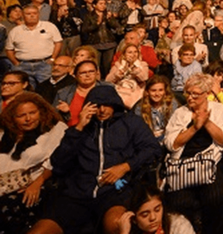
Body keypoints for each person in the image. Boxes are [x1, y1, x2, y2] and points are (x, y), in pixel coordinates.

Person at [29, 85, 160, 234]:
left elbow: (153, 149)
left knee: (118, 224)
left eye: (106, 105)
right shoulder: (80, 129)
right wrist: (79, 127)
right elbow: (58, 162)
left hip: (115, 192)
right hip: (77, 193)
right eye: (97, 106)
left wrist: (125, 166)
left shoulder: (131, 123)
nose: (102, 110)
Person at [163, 73, 223, 234]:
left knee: (216, 197)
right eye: (188, 93)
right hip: (182, 165)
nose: (190, 97)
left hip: (208, 164)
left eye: (195, 94)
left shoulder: (219, 110)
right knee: (179, 203)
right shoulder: (180, 113)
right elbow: (171, 144)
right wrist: (193, 127)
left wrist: (206, 121)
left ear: (207, 94)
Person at [0, 92, 67, 234]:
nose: (28, 119)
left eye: (32, 113)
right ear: (13, 118)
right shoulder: (5, 133)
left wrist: (37, 183)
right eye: (21, 116)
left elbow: (55, 161)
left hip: (30, 185)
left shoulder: (54, 130)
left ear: (41, 112)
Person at [5, 5, 63, 89]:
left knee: (47, 90)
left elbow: (58, 42)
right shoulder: (15, 31)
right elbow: (9, 49)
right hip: (23, 66)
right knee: (25, 92)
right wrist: (16, 63)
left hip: (45, 64)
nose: (32, 15)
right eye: (28, 13)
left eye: (34, 13)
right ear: (22, 15)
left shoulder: (49, 26)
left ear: (38, 14)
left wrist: (53, 58)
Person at [53, 55, 111, 127]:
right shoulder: (63, 93)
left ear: (97, 73)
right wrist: (65, 113)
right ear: (75, 75)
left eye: (91, 71)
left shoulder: (108, 89)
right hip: (70, 132)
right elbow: (53, 118)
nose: (88, 75)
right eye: (83, 73)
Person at [118, 184, 195, 234]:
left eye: (157, 210)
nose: (153, 218)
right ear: (134, 219)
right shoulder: (128, 231)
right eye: (145, 215)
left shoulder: (178, 225)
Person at [82, 0, 123, 78]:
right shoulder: (89, 16)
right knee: (96, 65)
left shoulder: (108, 15)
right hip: (95, 43)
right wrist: (97, 23)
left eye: (104, 4)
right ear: (94, 5)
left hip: (109, 43)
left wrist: (110, 19)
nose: (103, 6)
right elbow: (85, 29)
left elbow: (117, 26)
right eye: (100, 4)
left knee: (108, 66)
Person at [135, 75, 178, 144]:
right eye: (153, 90)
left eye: (160, 90)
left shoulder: (172, 104)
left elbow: (174, 128)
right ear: (147, 92)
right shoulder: (140, 108)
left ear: (165, 91)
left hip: (169, 138)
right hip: (149, 140)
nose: (157, 94)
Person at [107, 43, 150, 109]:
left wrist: (134, 68)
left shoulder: (143, 65)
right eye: (130, 52)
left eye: (135, 52)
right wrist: (117, 75)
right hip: (121, 91)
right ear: (124, 54)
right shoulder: (118, 65)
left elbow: (144, 78)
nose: (133, 54)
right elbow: (108, 80)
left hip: (136, 92)